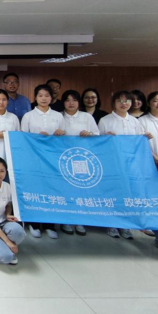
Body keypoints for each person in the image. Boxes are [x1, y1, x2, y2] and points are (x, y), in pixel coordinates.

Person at [98, 90, 153, 240]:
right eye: (120, 101)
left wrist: (145, 137)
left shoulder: (135, 121)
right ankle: (111, 224)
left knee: (128, 194)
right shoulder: (105, 120)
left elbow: (139, 143)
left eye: (127, 101)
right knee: (113, 193)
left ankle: (126, 225)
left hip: (131, 165)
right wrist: (105, 138)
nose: (124, 104)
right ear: (114, 103)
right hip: (112, 163)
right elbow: (97, 143)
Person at [21, 84, 65, 239]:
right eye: (40, 95)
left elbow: (65, 139)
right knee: (35, 191)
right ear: (35, 98)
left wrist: (61, 133)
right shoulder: (28, 116)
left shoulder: (58, 116)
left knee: (51, 191)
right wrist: (36, 137)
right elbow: (23, 138)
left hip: (53, 160)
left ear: (51, 98)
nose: (44, 98)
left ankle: (49, 225)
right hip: (34, 159)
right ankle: (34, 223)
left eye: (47, 95)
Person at [59, 89, 99, 236]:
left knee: (81, 190)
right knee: (65, 190)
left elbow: (98, 135)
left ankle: (80, 221)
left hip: (82, 159)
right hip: (62, 159)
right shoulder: (58, 117)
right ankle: (66, 220)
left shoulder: (86, 117)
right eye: (67, 100)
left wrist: (89, 134)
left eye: (74, 100)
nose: (71, 103)